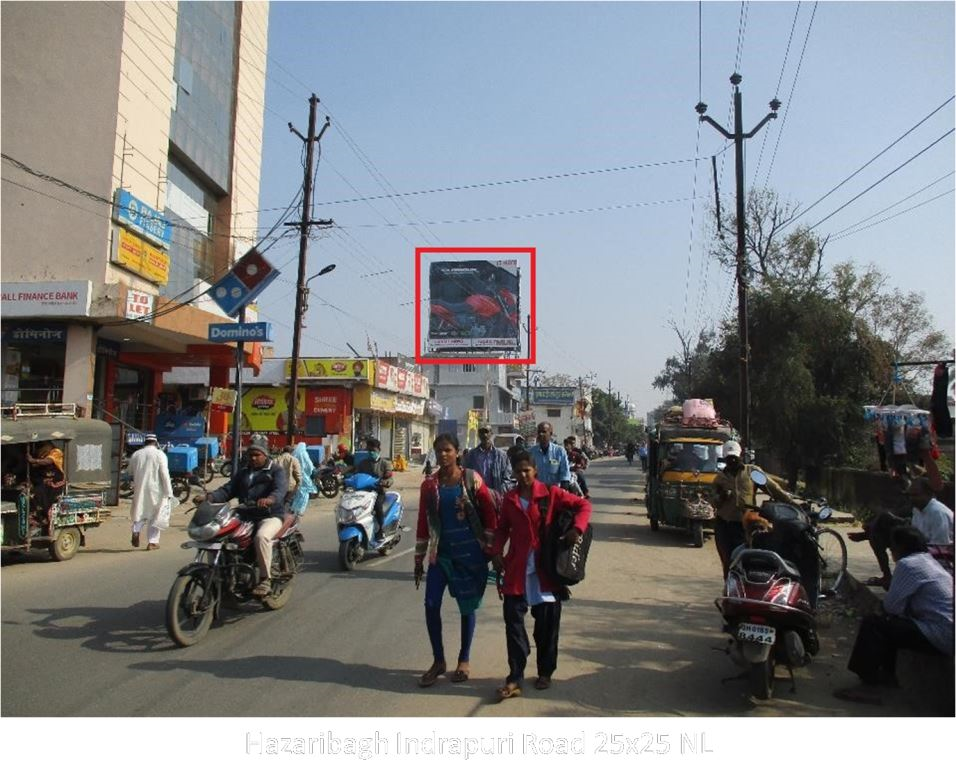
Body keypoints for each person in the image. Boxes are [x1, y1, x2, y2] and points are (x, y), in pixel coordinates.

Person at [491, 447, 591, 700]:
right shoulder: (510, 499)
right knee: (513, 624)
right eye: (518, 471)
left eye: (527, 470)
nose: (523, 474)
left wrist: (576, 531)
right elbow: (502, 528)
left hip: (546, 572)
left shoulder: (551, 494)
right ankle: (515, 675)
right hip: (517, 572)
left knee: (547, 627)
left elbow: (583, 506)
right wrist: (496, 553)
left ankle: (545, 671)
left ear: (535, 470)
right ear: (513, 473)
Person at [835, 526, 954, 705]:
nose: (891, 553)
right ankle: (887, 676)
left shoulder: (909, 564)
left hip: (940, 634)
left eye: (891, 549)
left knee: (875, 624)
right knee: (891, 624)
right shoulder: (928, 561)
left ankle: (869, 685)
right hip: (945, 629)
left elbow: (891, 607)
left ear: (899, 548)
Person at [414, 433, 498, 687]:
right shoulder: (429, 485)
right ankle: (439, 661)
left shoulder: (472, 479)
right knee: (430, 604)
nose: (443, 455)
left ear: (458, 452)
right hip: (442, 555)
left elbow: (490, 514)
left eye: (448, 450)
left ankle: (464, 659)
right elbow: (422, 522)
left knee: (467, 605)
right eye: (439, 450)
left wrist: (491, 550)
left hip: (470, 555)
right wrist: (419, 559)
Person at [194, 435, 288, 597]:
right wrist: (208, 497)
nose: (252, 458)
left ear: (265, 454)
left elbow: (280, 490)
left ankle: (265, 578)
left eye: (256, 454)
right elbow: (227, 490)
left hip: (269, 515)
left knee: (261, 537)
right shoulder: (244, 472)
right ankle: (220, 573)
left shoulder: (276, 470)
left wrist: (270, 499)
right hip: (245, 514)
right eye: (250, 454)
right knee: (218, 535)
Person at [710, 439, 793, 580]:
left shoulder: (752, 472)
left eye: (735, 458)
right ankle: (730, 590)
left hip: (747, 525)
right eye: (729, 458)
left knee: (748, 559)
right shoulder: (719, 478)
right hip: (724, 525)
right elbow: (713, 502)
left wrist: (791, 503)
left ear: (740, 456)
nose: (733, 461)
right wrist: (721, 497)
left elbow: (773, 489)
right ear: (725, 458)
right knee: (728, 562)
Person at [127, 434, 174, 551]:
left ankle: (136, 530)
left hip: (139, 488)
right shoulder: (160, 454)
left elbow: (129, 471)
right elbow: (164, 474)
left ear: (145, 442)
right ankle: (152, 542)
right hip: (156, 490)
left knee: (140, 512)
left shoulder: (136, 454)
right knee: (155, 516)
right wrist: (169, 492)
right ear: (156, 443)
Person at [347, 438, 393, 541]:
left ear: (379, 450)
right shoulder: (363, 463)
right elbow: (356, 474)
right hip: (363, 492)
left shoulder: (385, 463)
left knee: (377, 507)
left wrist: (385, 482)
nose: (371, 453)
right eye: (369, 451)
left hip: (378, 492)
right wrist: (347, 479)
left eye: (373, 450)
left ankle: (381, 530)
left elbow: (390, 477)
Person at [464, 426, 512, 497]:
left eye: (486, 432)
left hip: (497, 497)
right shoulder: (471, 455)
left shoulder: (502, 455)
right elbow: (466, 475)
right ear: (478, 435)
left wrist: (499, 492)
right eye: (481, 432)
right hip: (478, 497)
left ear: (491, 433)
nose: (484, 435)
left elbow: (508, 478)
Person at [528, 422, 571, 489]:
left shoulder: (559, 451)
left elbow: (565, 472)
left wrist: (564, 488)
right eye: (539, 432)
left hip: (554, 490)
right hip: (537, 491)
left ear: (550, 434)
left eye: (544, 432)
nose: (541, 434)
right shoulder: (531, 452)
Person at [291, 443, 317, 515]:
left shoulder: (294, 454)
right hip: (304, 475)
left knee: (298, 493)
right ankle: (300, 510)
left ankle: (294, 508)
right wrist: (310, 471)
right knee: (305, 493)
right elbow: (309, 465)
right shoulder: (304, 453)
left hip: (296, 475)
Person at [276, 446, 303, 512]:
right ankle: (285, 516)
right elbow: (298, 474)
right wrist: (299, 483)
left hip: (278, 486)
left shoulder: (276, 460)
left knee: (280, 503)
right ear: (291, 452)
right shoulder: (294, 460)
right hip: (290, 486)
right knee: (288, 502)